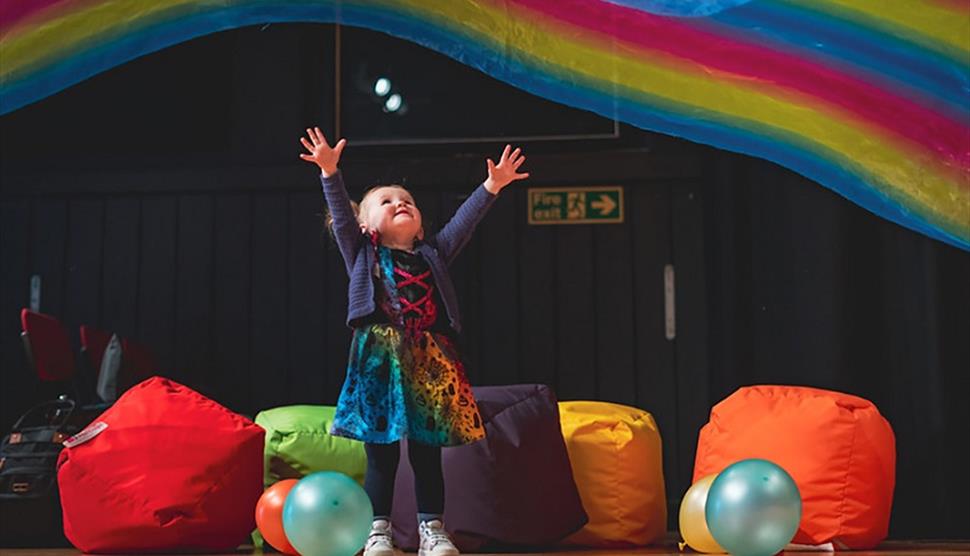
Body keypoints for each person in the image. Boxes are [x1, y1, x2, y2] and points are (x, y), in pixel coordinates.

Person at [299, 127, 529, 556]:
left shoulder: (434, 254)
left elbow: (464, 223)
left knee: (427, 454)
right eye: (386, 202)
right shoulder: (362, 252)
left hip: (430, 363)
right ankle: (377, 531)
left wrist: (491, 186)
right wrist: (330, 172)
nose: (400, 203)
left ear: (420, 223)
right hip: (379, 363)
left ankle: (432, 531)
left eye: (406, 200)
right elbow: (342, 217)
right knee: (382, 455)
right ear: (368, 225)